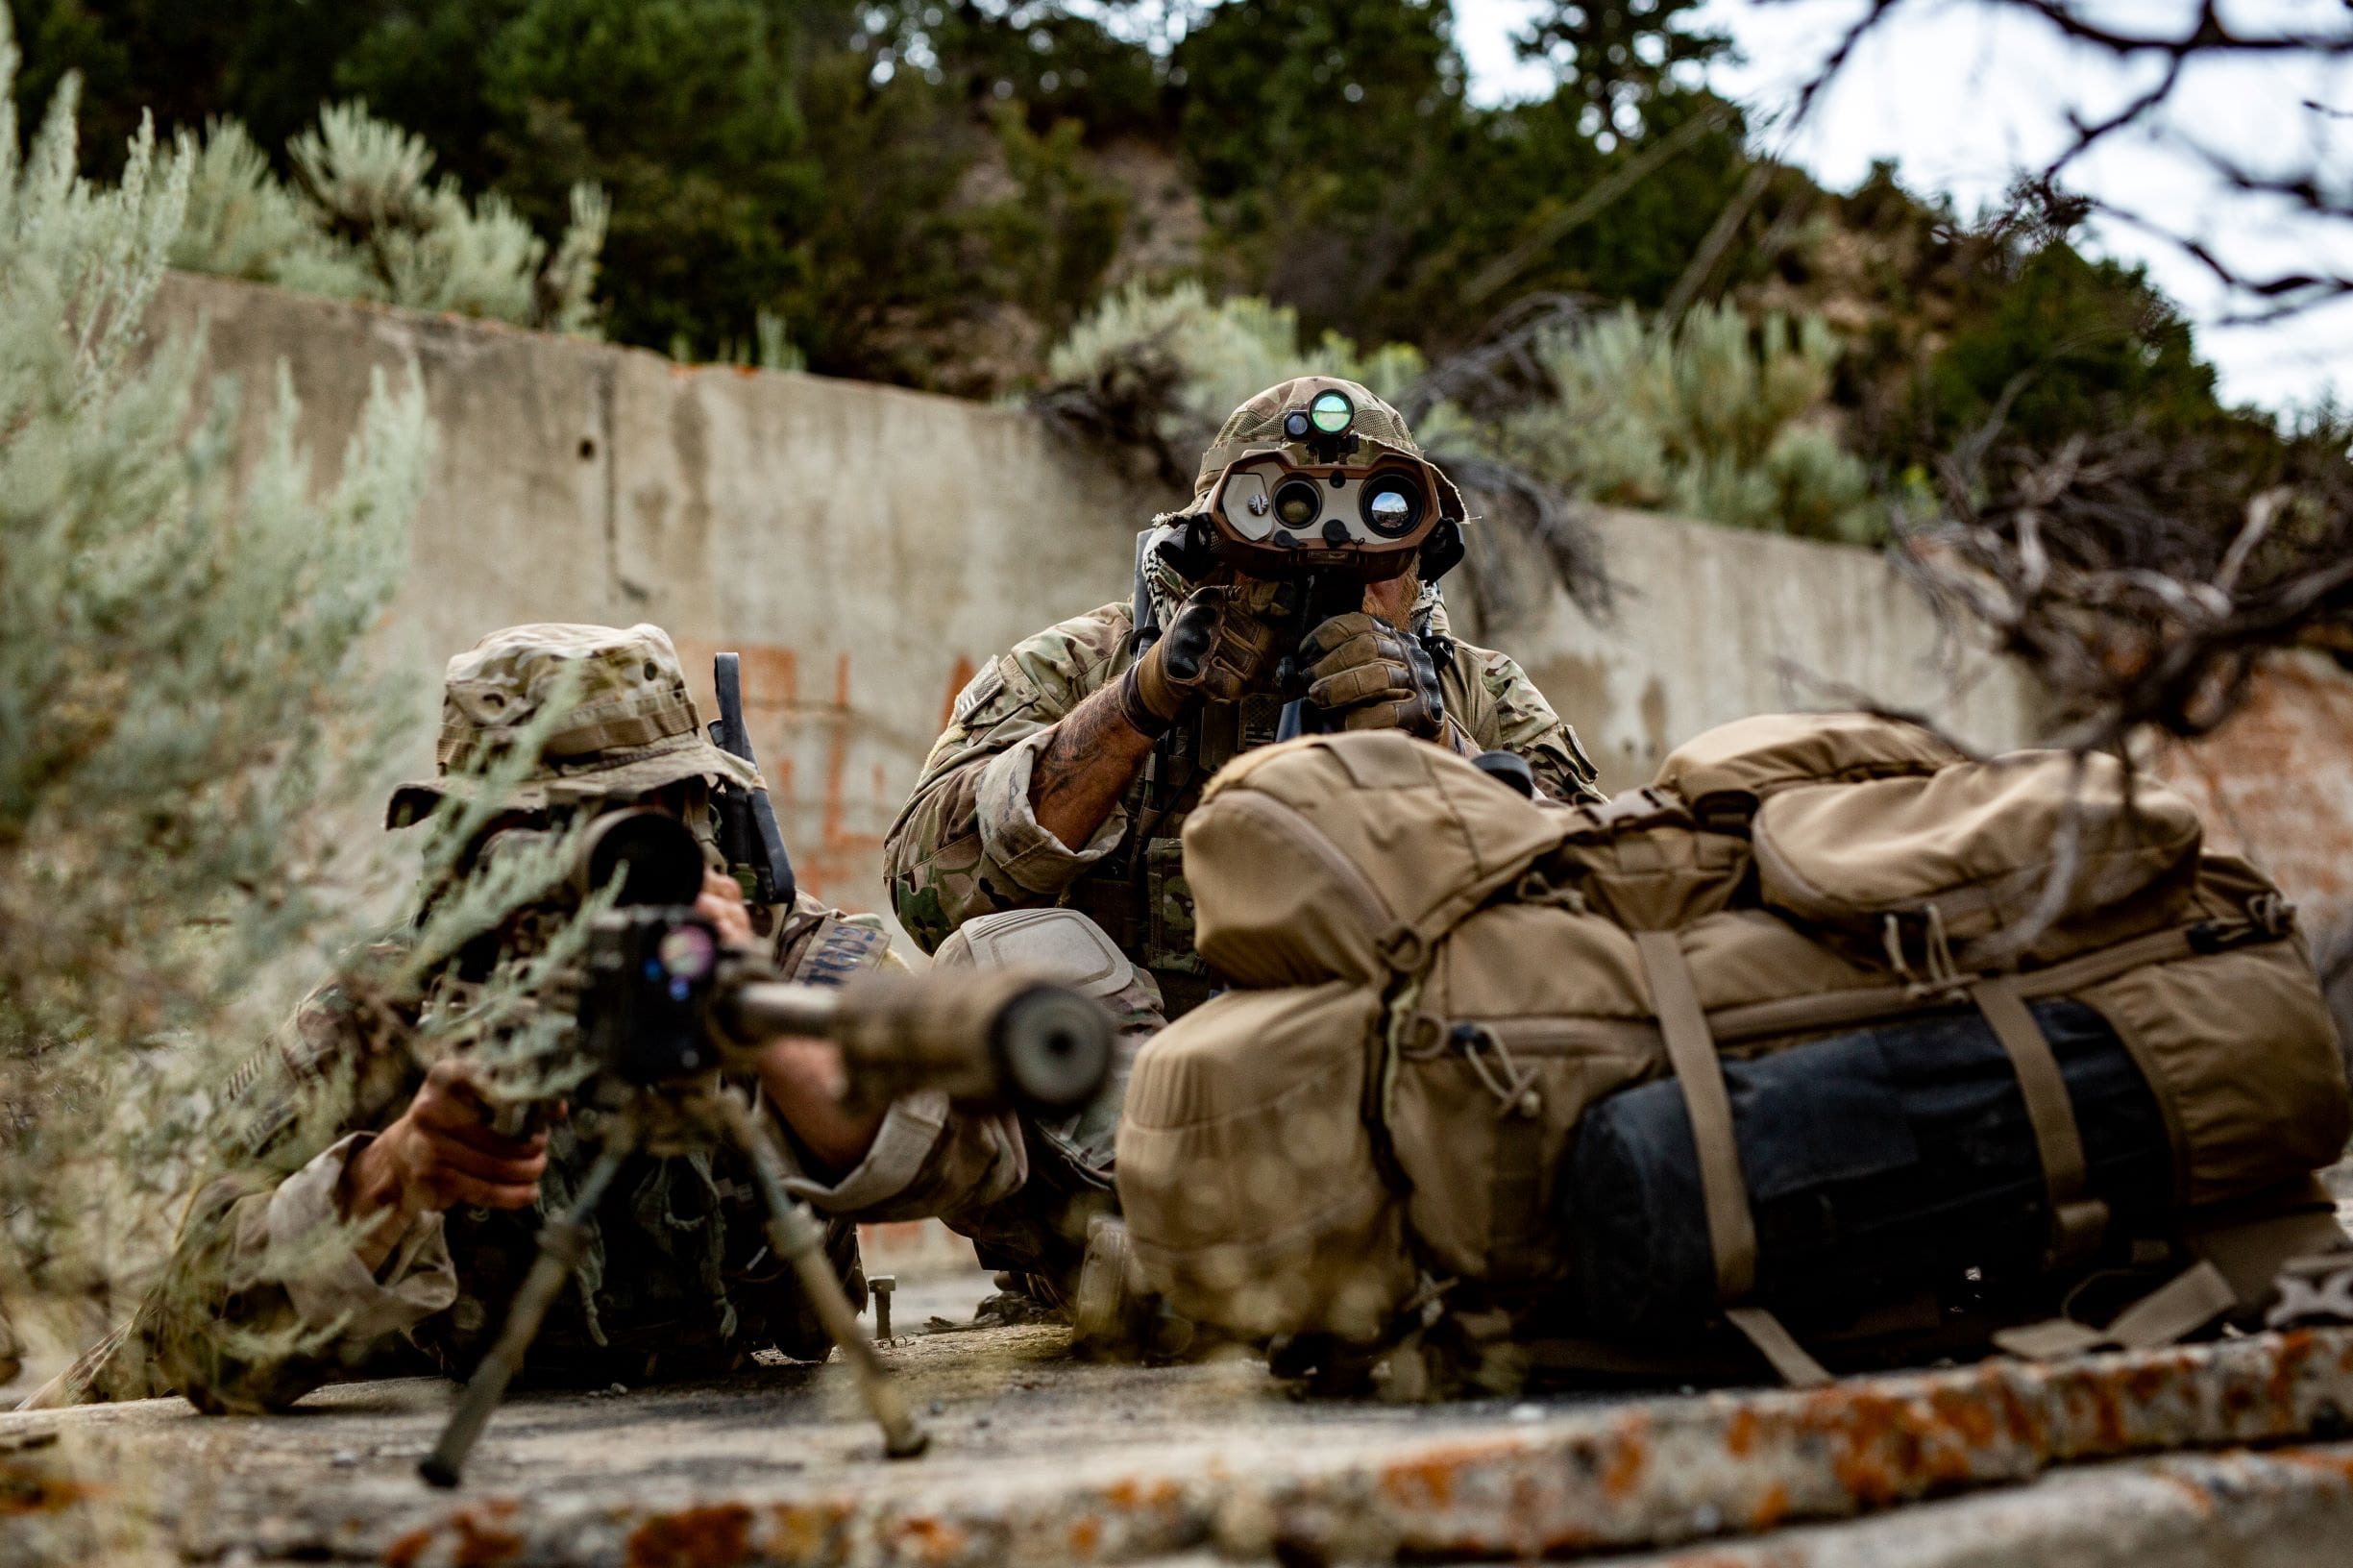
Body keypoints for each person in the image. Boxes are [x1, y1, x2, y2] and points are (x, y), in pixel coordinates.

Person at [30, 623, 1041, 1413]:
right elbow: (189, 1338)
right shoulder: (389, 1013)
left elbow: (992, 1159)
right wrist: (391, 1174)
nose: (578, 882)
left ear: (701, 820)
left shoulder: (797, 963)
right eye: (534, 838)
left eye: (622, 835)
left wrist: (763, 1032)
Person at [886, 377, 1605, 1019]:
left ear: (1422, 554)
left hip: (1393, 1074)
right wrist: (1138, 703)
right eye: (1280, 524)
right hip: (1135, 1098)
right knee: (1017, 951)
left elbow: (1603, 919)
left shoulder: (1474, 691)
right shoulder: (1083, 664)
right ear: (1206, 546)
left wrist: (1442, 751)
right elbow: (930, 902)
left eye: (1376, 536)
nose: (1329, 565)